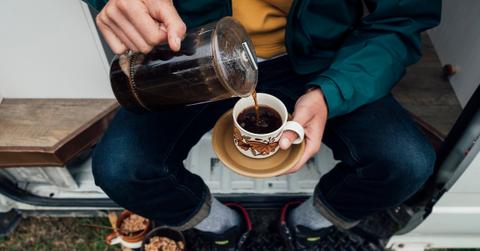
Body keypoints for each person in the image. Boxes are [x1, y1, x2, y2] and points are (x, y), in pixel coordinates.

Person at [87, 0, 441, 250]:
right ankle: (223, 228)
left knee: (406, 162)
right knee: (120, 168)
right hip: (195, 54)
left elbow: (402, 17)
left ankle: (307, 222)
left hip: (319, 57)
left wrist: (332, 93)